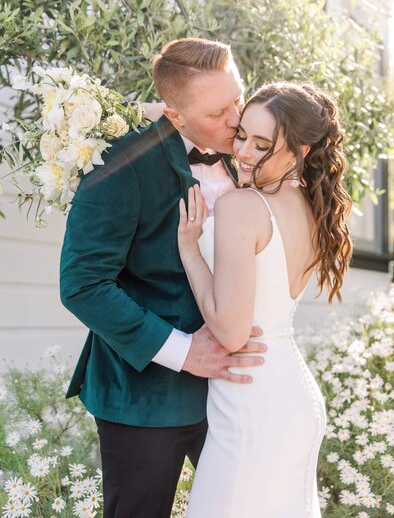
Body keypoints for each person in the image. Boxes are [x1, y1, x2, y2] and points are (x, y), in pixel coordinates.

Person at [59, 37, 268, 518]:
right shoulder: (122, 164)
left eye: (238, 97)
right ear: (174, 117)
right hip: (144, 399)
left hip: (234, 394)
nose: (237, 118)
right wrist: (185, 351)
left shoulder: (253, 153)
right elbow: (83, 284)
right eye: (219, 112)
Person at [177, 81, 353, 517]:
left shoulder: (243, 205)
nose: (242, 154)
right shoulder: (314, 210)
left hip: (251, 400)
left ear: (299, 152)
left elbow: (232, 332)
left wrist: (190, 252)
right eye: (241, 136)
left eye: (262, 145)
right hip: (290, 396)